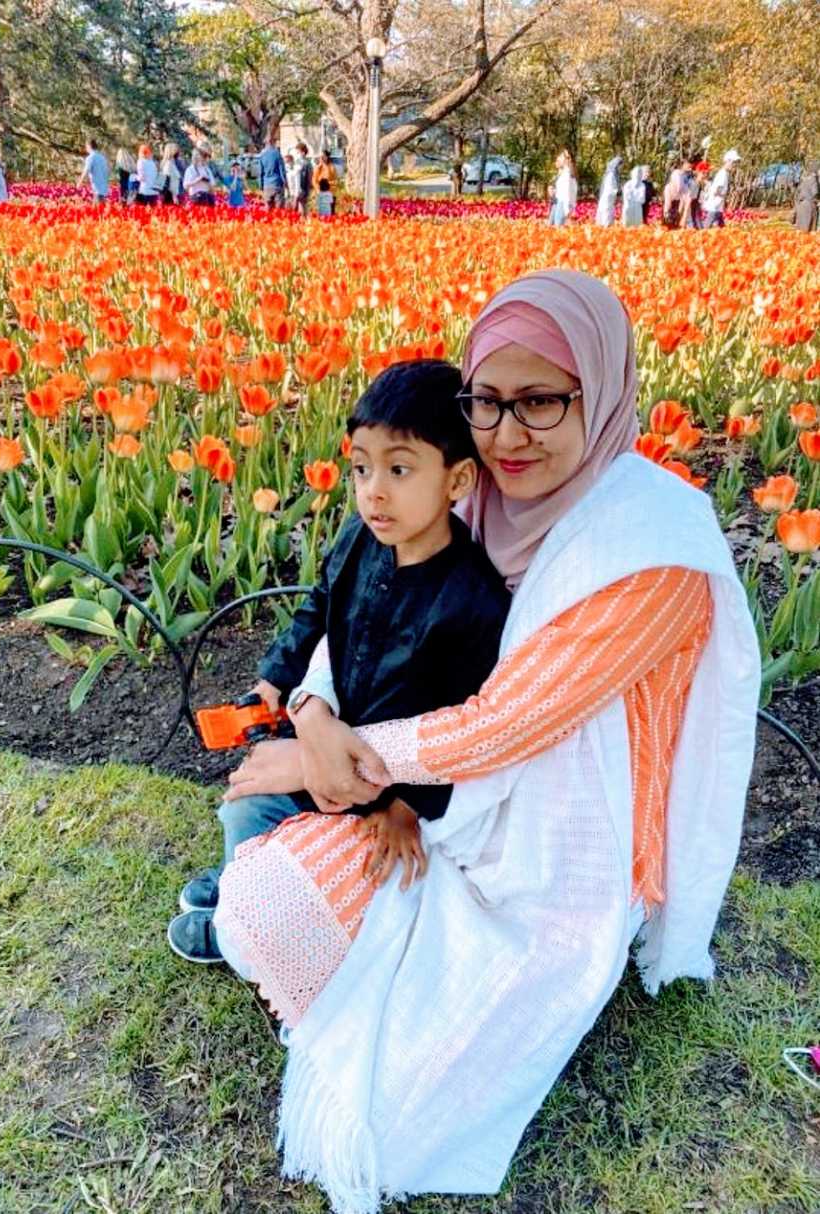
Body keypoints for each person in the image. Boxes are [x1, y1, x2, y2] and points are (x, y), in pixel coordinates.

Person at [210, 268, 761, 1213]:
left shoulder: (650, 546)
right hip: (429, 790)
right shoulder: (471, 504)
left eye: (542, 400)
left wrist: (322, 756)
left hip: (556, 856)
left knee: (283, 918)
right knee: (261, 888)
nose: (508, 434)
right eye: (488, 402)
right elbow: (347, 628)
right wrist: (309, 717)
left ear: (604, 389)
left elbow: (507, 723)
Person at [167, 359, 512, 961]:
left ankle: (243, 931)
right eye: (361, 468)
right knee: (245, 806)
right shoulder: (359, 538)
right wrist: (276, 675)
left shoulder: (472, 600)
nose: (373, 489)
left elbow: (458, 726)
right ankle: (238, 899)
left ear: (457, 481)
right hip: (330, 737)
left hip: (390, 778)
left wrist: (406, 810)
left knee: (337, 874)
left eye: (399, 470)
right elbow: (318, 607)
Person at [702, 148, 740, 228]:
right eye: (733, 163)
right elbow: (716, 191)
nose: (734, 165)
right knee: (706, 228)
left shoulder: (725, 173)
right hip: (714, 206)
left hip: (718, 207)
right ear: (728, 161)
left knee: (721, 228)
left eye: (735, 163)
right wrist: (725, 196)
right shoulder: (722, 174)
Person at [77, 138, 110, 204]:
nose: (86, 149)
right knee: (101, 210)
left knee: (98, 210)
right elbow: (107, 171)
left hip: (97, 189)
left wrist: (79, 182)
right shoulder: (102, 157)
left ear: (89, 146)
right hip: (104, 189)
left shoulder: (90, 157)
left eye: (86, 147)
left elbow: (86, 170)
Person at [549, 149, 577, 226]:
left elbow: (568, 192)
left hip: (563, 203)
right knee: (551, 225)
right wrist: (553, 192)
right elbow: (561, 190)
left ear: (566, 160)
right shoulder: (562, 174)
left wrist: (567, 209)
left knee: (557, 226)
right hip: (557, 202)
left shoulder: (568, 173)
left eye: (560, 157)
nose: (557, 159)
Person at [258, 134, 287, 209]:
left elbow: (260, 173)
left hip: (267, 185)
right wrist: (285, 182)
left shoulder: (262, 155)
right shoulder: (277, 154)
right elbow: (282, 170)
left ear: (266, 143)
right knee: (279, 209)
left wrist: (261, 185)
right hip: (277, 184)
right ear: (273, 142)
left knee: (268, 208)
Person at [595, 155, 622, 226]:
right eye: (620, 165)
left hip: (610, 199)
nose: (621, 168)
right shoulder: (611, 175)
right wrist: (618, 192)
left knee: (608, 215)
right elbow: (610, 187)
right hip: (607, 198)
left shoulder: (614, 175)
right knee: (606, 216)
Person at [793, 160, 818, 232]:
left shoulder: (804, 179)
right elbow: (815, 193)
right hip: (809, 205)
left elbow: (798, 193)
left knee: (800, 230)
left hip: (800, 205)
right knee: (808, 230)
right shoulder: (814, 179)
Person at [294, 142, 312, 216]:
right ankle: (300, 218)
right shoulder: (298, 161)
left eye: (298, 152)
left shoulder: (306, 163)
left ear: (303, 152)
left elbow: (309, 175)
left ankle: (301, 219)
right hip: (298, 185)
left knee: (302, 204)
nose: (297, 154)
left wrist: (309, 185)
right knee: (300, 204)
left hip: (303, 186)